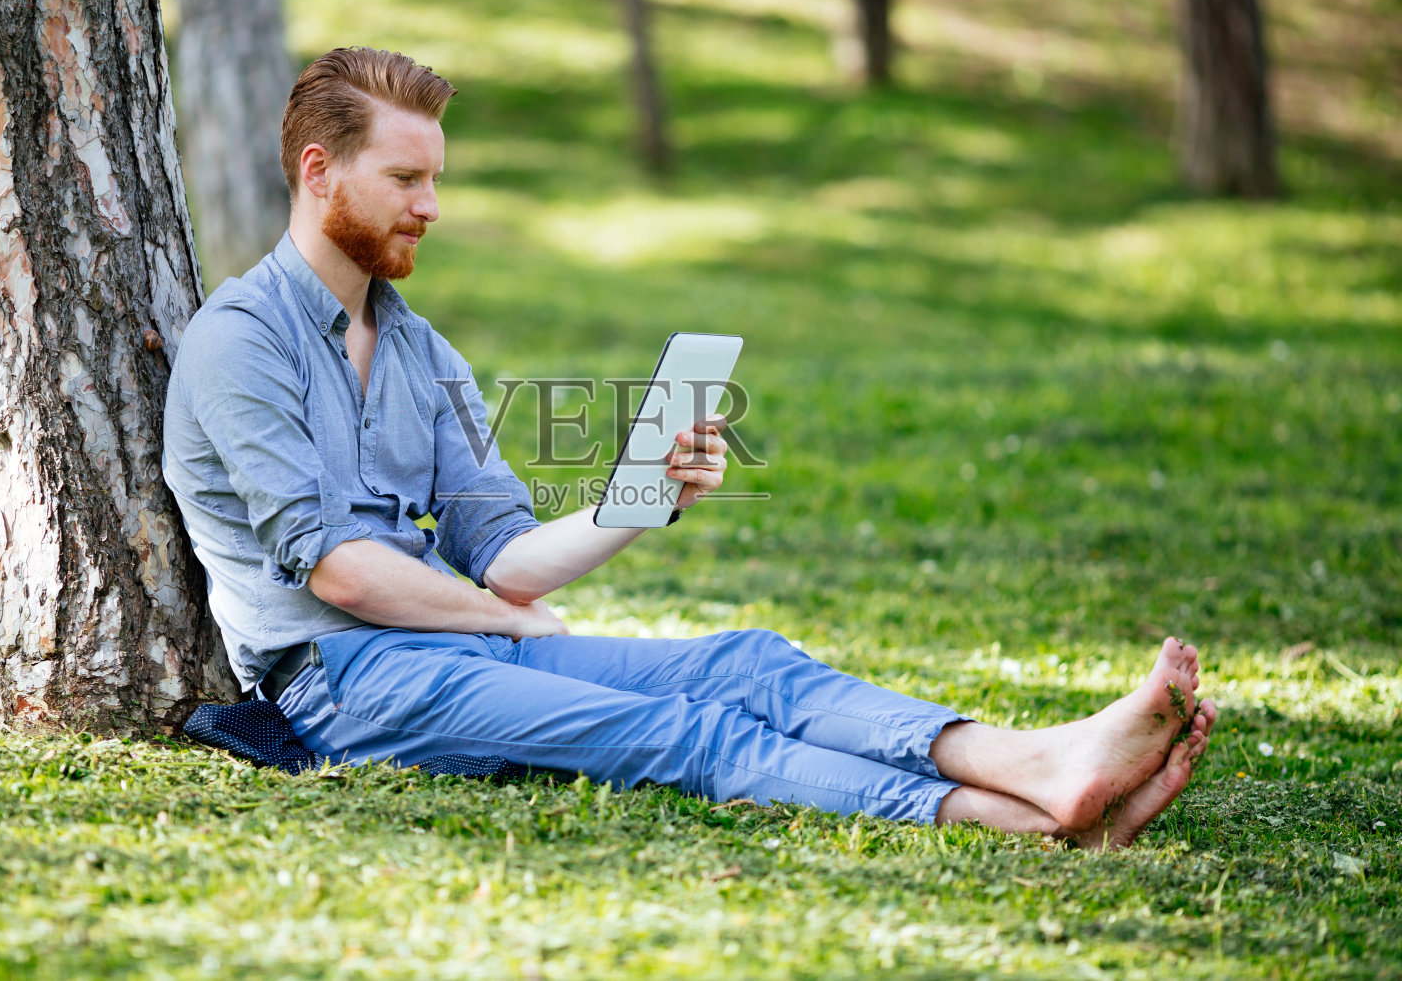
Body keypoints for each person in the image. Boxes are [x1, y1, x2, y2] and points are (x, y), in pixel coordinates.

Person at [162, 47, 1217, 850]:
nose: (431, 206)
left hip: (458, 646)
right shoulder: (239, 340)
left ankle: (1037, 770)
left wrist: (638, 498)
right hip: (344, 682)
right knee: (683, 732)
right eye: (405, 179)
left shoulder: (418, 346)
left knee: (744, 663)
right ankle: (1032, 814)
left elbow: (503, 551)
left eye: (436, 178)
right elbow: (339, 566)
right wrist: (499, 617)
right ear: (319, 171)